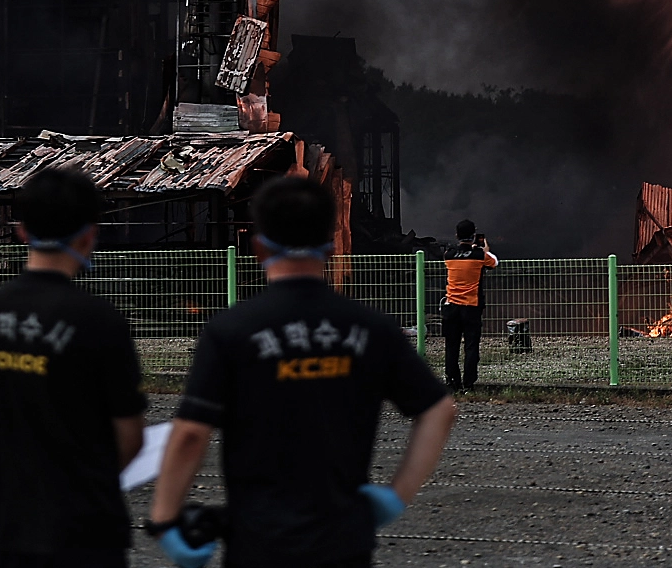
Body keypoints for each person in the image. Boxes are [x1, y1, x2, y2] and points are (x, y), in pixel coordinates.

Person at [146, 176, 457, 568]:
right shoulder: (368, 327)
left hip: (258, 541)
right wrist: (396, 494)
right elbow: (438, 409)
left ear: (259, 247)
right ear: (331, 244)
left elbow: (191, 433)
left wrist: (164, 520)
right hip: (344, 541)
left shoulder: (232, 330)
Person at [0, 167, 148, 568]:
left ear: (22, 231)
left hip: (6, 531)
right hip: (87, 535)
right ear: (89, 234)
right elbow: (130, 438)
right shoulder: (100, 321)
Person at [440, 219, 499, 389]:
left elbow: (460, 256)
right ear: (474, 236)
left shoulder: (448, 255)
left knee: (451, 346)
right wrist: (484, 250)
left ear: (457, 235)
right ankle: (469, 384)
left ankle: (452, 382)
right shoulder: (480, 255)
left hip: (451, 307)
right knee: (471, 346)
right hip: (472, 307)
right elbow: (494, 263)